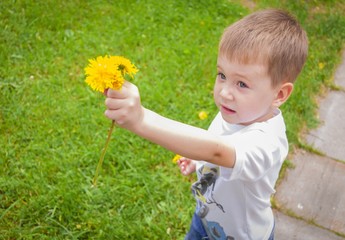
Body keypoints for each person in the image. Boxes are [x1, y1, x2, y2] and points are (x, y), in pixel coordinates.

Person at [104, 9, 308, 240]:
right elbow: (212, 145)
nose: (224, 92)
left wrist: (141, 119)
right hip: (204, 218)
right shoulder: (237, 112)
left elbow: (218, 150)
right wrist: (199, 160)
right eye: (222, 75)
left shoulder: (266, 142)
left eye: (241, 83)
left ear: (279, 94)